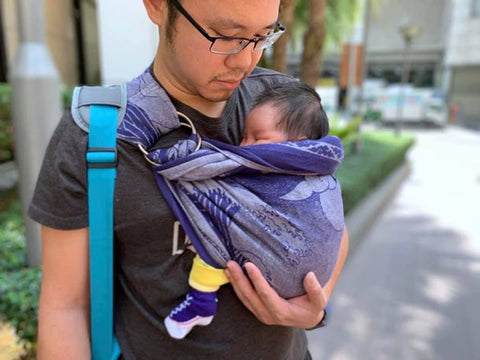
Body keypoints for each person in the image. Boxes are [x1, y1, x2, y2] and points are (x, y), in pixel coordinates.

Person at [30, 0, 349, 359]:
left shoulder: (282, 106)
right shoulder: (96, 134)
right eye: (226, 36)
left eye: (262, 36)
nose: (244, 61)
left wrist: (314, 310)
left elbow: (325, 216)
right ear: (157, 6)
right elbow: (65, 308)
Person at [164, 81, 339, 339]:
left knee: (215, 240)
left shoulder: (306, 169)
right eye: (244, 136)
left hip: (296, 282)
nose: (244, 146)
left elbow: (328, 224)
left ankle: (201, 300)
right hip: (298, 279)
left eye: (258, 138)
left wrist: (318, 311)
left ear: (297, 145)